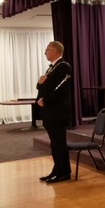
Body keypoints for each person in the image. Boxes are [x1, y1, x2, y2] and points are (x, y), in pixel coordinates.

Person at [37, 41, 72, 183]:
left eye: (48, 49)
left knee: (59, 143)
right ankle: (57, 170)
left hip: (57, 112)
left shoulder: (64, 66)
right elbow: (41, 86)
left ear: (56, 51)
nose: (46, 52)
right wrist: (39, 82)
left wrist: (46, 100)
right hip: (50, 112)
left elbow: (62, 89)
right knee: (54, 144)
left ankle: (64, 172)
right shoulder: (52, 68)